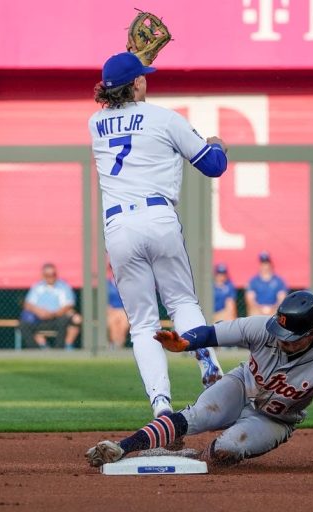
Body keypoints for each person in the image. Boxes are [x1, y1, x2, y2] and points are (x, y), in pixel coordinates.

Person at [86, 291, 313, 474]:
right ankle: (122, 447)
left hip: (275, 419)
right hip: (241, 384)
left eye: (291, 338)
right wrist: (183, 344)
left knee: (226, 451)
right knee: (196, 416)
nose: (281, 341)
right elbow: (211, 334)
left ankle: (189, 457)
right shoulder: (262, 328)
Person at [89, 51, 226, 417]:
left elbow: (120, 113)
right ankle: (211, 371)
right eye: (143, 76)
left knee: (144, 323)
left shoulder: (94, 123)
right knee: (182, 303)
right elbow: (214, 166)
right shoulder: (165, 118)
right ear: (136, 83)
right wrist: (217, 144)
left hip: (118, 227)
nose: (147, 80)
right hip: (158, 217)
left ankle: (161, 407)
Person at [20, 263, 82, 350]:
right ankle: (35, 350)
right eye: (48, 275)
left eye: (53, 274)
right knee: (24, 324)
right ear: (43, 275)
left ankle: (60, 349)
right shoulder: (37, 287)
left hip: (57, 318)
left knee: (72, 318)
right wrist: (39, 312)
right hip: (39, 319)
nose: (51, 277)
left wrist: (53, 314)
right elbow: (28, 304)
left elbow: (68, 305)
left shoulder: (63, 287)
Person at [246, 251, 288, 316]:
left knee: (279, 312)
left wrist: (271, 309)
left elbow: (281, 300)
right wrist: (261, 309)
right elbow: (250, 301)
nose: (265, 266)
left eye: (266, 263)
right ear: (259, 265)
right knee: (253, 311)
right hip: (258, 310)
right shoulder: (253, 281)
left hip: (274, 310)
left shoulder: (279, 281)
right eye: (262, 263)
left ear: (270, 264)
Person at [107, 275, 129, 350]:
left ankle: (118, 346)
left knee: (123, 325)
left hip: (124, 310)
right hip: (111, 310)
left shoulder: (127, 283)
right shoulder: (106, 283)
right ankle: (114, 345)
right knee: (113, 324)